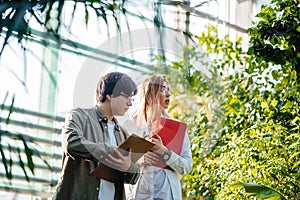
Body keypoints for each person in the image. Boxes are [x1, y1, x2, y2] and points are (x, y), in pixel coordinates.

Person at [52, 72, 140, 200]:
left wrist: (129, 167)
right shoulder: (78, 116)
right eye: (127, 97)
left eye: (132, 99)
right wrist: (111, 152)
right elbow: (71, 143)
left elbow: (134, 175)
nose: (130, 103)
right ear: (110, 95)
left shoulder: (123, 133)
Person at [124, 74, 193, 200]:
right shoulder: (129, 126)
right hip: (139, 194)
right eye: (162, 89)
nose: (168, 94)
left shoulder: (176, 128)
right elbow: (116, 163)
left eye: (168, 90)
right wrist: (139, 159)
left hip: (166, 194)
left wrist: (164, 151)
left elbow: (187, 166)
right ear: (149, 94)